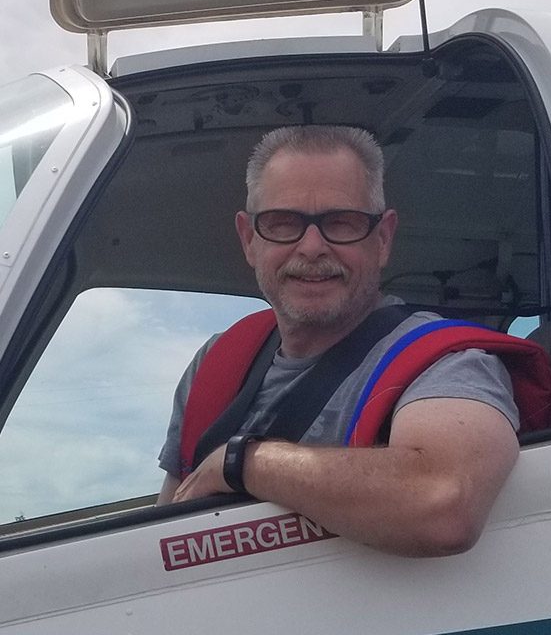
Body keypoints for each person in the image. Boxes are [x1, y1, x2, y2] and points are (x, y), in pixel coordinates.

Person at [157, 125, 521, 557]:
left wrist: (245, 462)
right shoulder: (215, 365)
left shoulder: (448, 365)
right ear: (249, 240)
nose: (312, 247)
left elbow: (444, 503)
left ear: (383, 239)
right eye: (283, 223)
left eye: (341, 223)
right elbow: (163, 539)